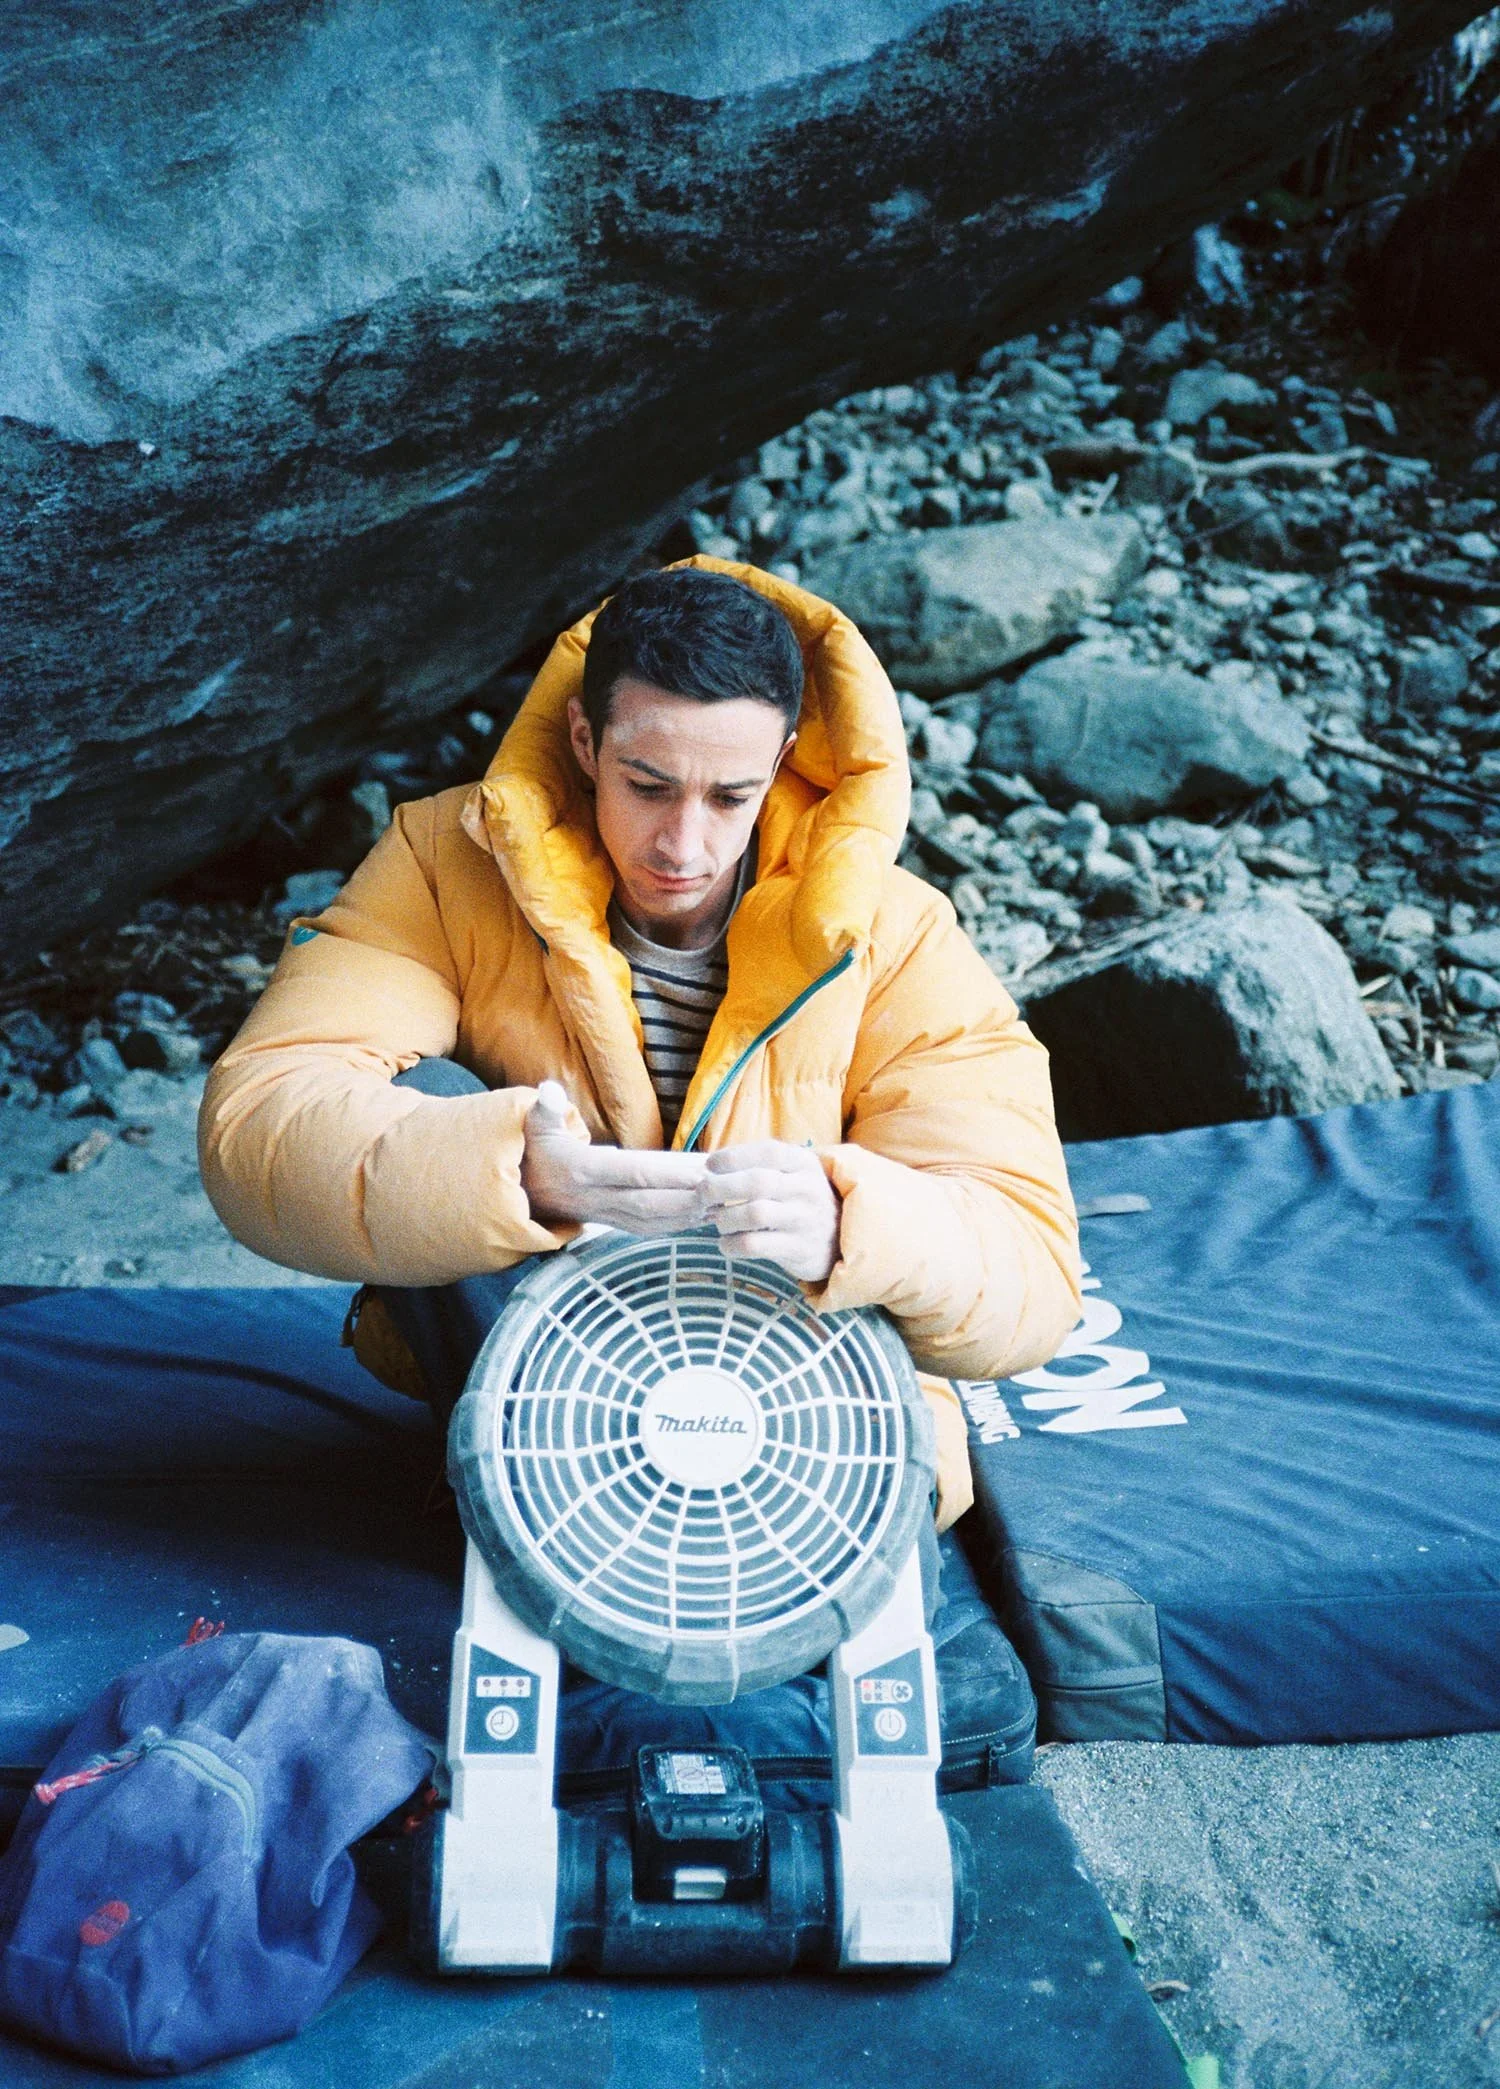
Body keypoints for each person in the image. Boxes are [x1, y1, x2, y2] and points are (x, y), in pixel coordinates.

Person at [199, 559, 1081, 1786]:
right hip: (546, 1408)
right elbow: (258, 1122)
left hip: (799, 1423)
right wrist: (519, 1175)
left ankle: (699, 1651)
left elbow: (1034, 1270)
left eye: (733, 795)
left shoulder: (893, 930)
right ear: (582, 736)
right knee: (440, 1114)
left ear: (783, 766)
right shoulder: (447, 860)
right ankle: (642, 1632)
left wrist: (850, 1219)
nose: (685, 842)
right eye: (647, 783)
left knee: (929, 1686)